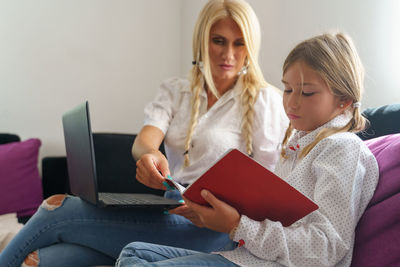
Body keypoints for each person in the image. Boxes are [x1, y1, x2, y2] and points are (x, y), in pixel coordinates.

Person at [0, 1, 288, 266]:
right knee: (45, 259)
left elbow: (267, 186)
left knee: (57, 208)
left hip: (213, 228)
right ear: (202, 41)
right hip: (171, 209)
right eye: (218, 41)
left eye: (239, 44)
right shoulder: (177, 90)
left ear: (251, 46)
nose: (229, 54)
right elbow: (145, 140)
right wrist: (150, 156)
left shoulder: (265, 100)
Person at [115, 32, 380, 267]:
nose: (291, 102)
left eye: (307, 93)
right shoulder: (301, 144)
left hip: (266, 261)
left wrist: (236, 225)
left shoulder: (342, 149)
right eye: (287, 89)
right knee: (133, 253)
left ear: (344, 100)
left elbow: (325, 251)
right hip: (246, 256)